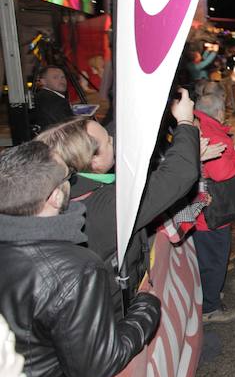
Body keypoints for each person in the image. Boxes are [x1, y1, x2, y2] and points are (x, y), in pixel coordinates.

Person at [0, 141, 161, 377]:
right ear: (54, 196)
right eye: (68, 177)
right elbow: (97, 365)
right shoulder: (74, 269)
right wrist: (147, 307)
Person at [36, 90, 202, 315]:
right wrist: (185, 121)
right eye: (108, 142)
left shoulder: (64, 182)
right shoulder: (105, 206)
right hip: (112, 312)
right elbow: (178, 174)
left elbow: (118, 132)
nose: (113, 140)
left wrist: (152, 96)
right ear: (93, 160)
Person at [194, 93, 235, 324]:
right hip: (212, 212)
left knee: (208, 258)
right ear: (218, 112)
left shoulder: (196, 126)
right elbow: (222, 172)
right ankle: (210, 308)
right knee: (215, 259)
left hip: (200, 208)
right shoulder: (213, 134)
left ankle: (211, 294)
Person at [31, 65, 74, 132]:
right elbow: (70, 128)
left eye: (63, 77)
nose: (61, 81)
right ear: (43, 82)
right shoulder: (56, 101)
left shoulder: (39, 96)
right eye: (55, 77)